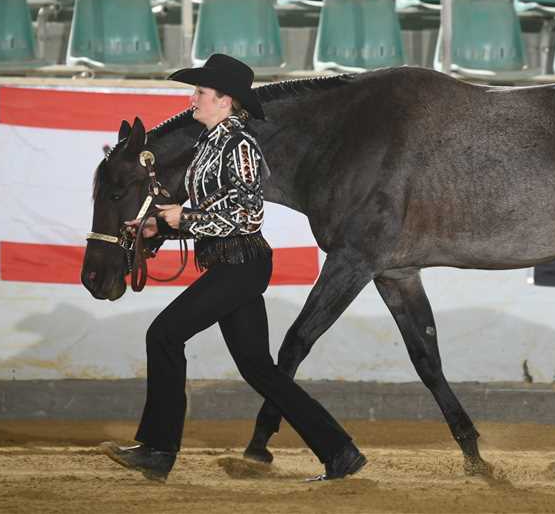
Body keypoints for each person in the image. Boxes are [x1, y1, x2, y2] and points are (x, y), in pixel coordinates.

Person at [101, 53, 366, 483]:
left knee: (164, 335)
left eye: (200, 92)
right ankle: (340, 452)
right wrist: (159, 226)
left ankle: (158, 449)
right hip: (231, 264)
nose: (193, 99)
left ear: (225, 100)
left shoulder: (239, 143)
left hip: (242, 266)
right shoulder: (210, 143)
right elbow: (214, 213)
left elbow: (247, 214)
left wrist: (183, 218)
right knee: (258, 368)